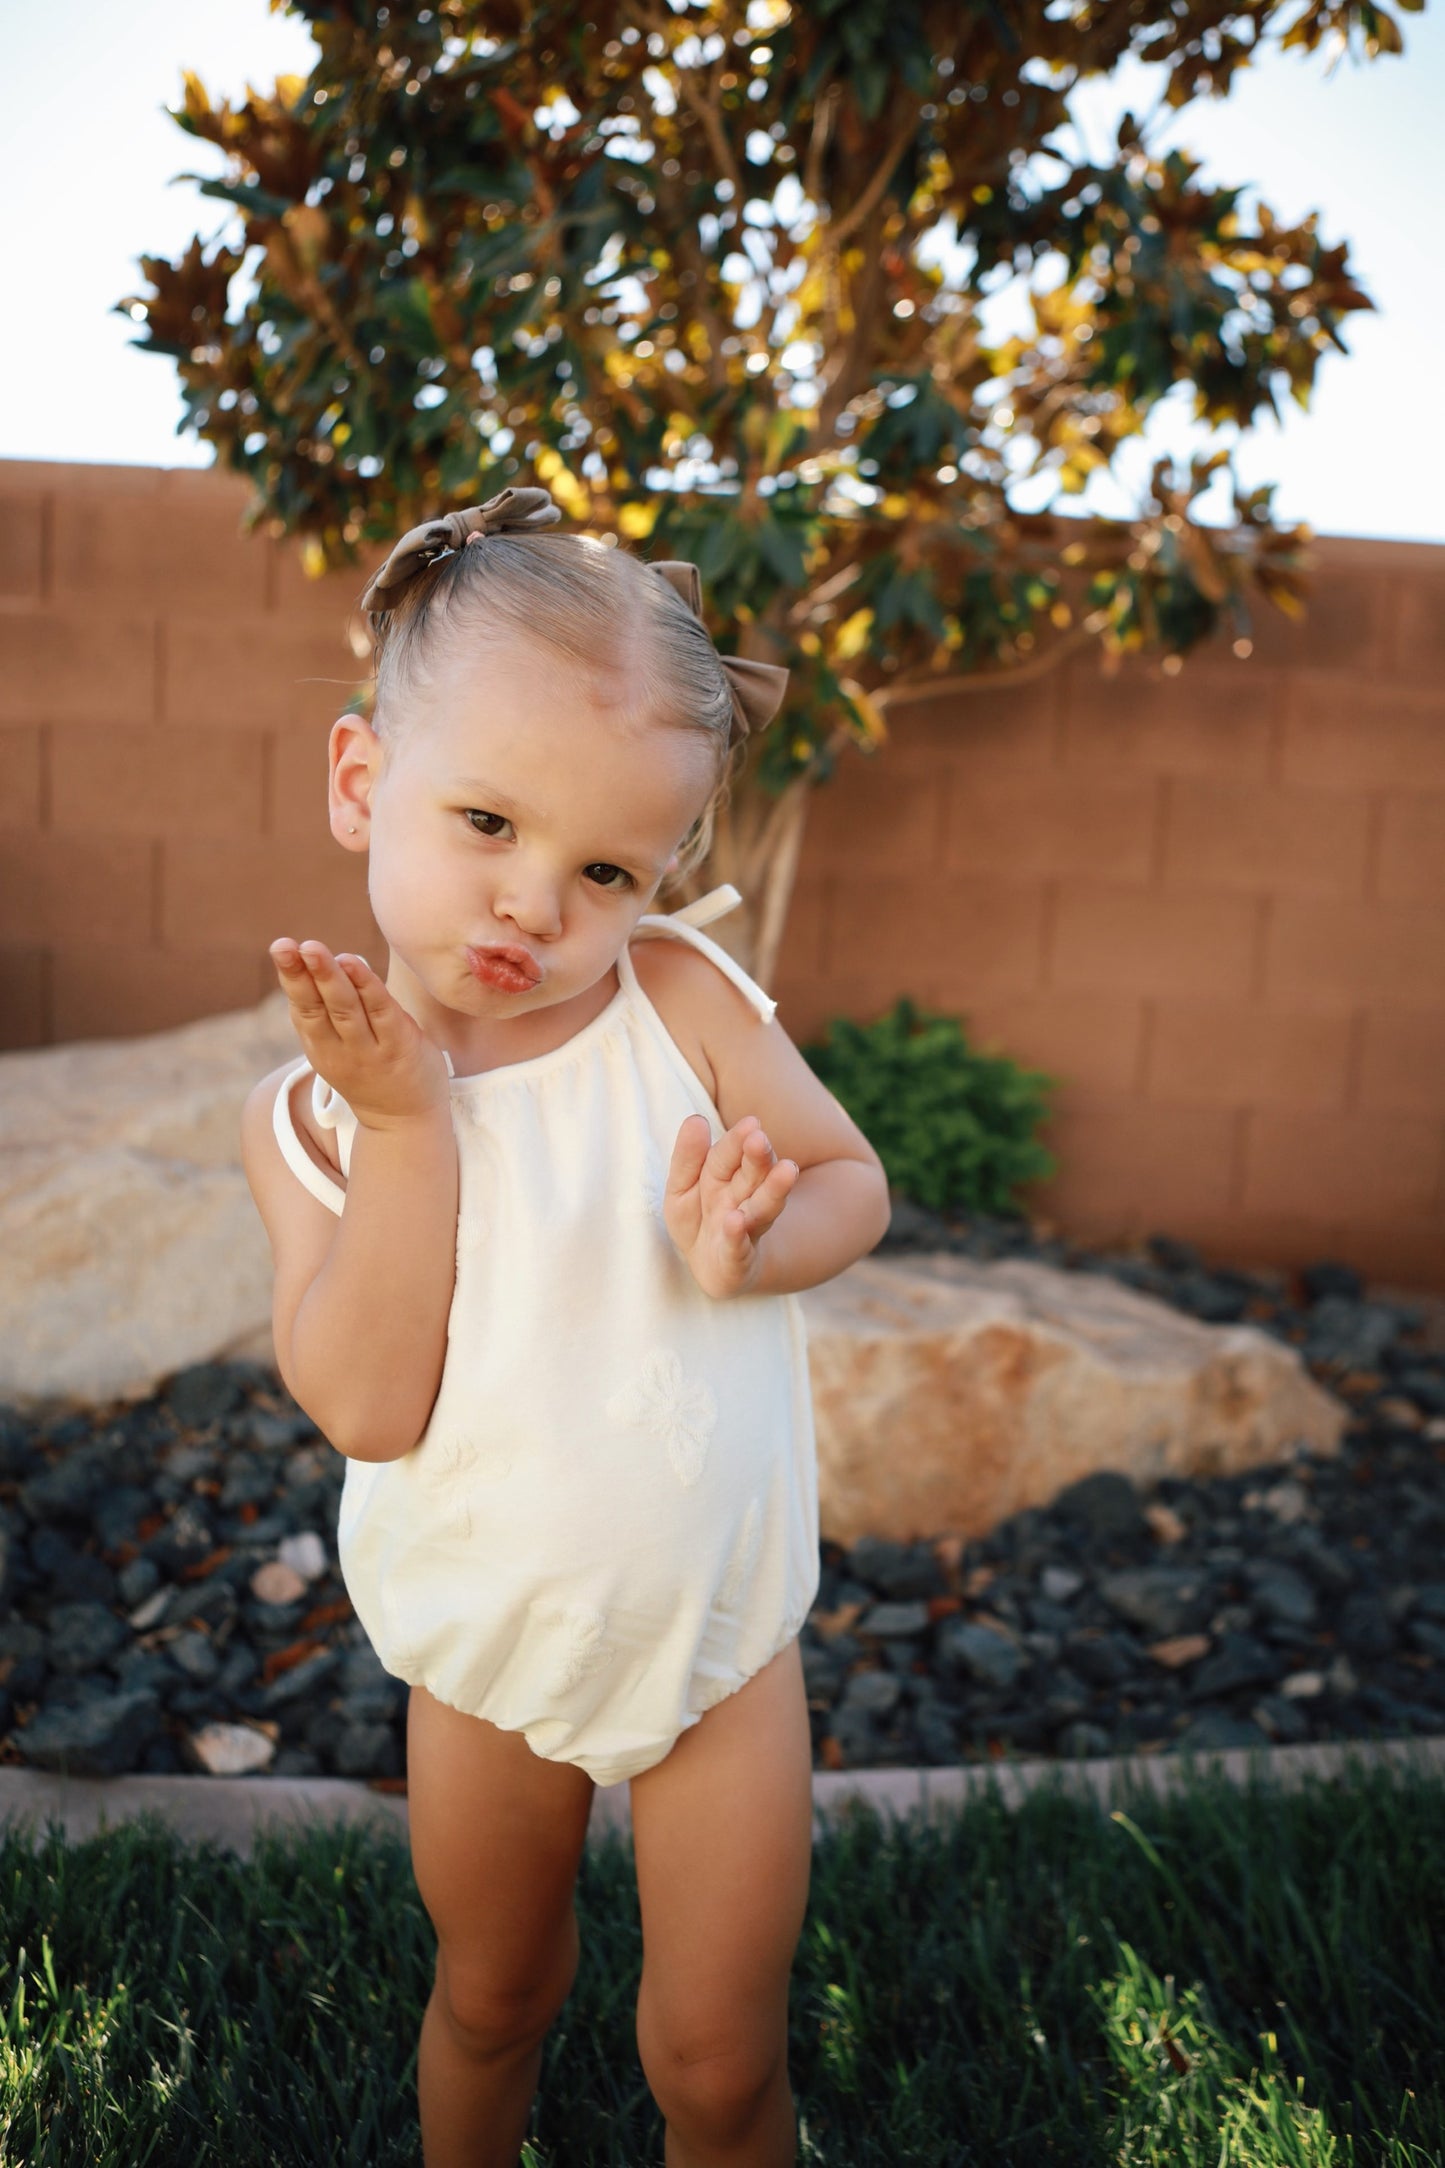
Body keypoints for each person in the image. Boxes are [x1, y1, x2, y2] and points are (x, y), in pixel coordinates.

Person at [240, 482, 892, 2168]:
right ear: (359, 781)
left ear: (663, 869)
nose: (535, 902)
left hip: (713, 1641)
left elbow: (850, 1181)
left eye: (603, 866)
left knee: (715, 2052)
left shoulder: (676, 1005)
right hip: (488, 1646)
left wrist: (759, 1247)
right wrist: (403, 1127)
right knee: (491, 1994)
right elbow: (371, 1406)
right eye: (487, 825)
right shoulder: (306, 1121)